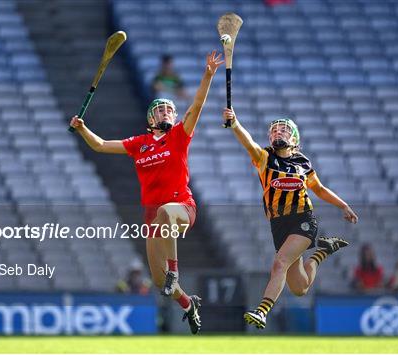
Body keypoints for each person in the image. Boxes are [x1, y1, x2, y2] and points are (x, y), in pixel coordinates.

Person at [70, 51, 224, 334]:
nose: (166, 112)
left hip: (181, 208)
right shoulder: (139, 143)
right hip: (152, 216)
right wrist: (82, 129)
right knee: (157, 279)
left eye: (169, 110)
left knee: (167, 214)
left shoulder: (179, 135)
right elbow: (101, 145)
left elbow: (198, 104)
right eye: (160, 109)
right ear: (150, 117)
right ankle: (189, 304)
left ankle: (175, 269)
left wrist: (208, 75)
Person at [222, 108, 358, 329]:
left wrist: (343, 205)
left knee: (279, 264)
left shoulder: (303, 163)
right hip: (279, 225)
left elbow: (320, 189)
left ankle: (262, 311)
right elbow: (249, 144)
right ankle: (323, 251)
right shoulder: (265, 158)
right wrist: (235, 124)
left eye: (284, 130)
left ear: (294, 139)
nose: (278, 133)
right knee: (300, 287)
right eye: (275, 131)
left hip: (302, 220)